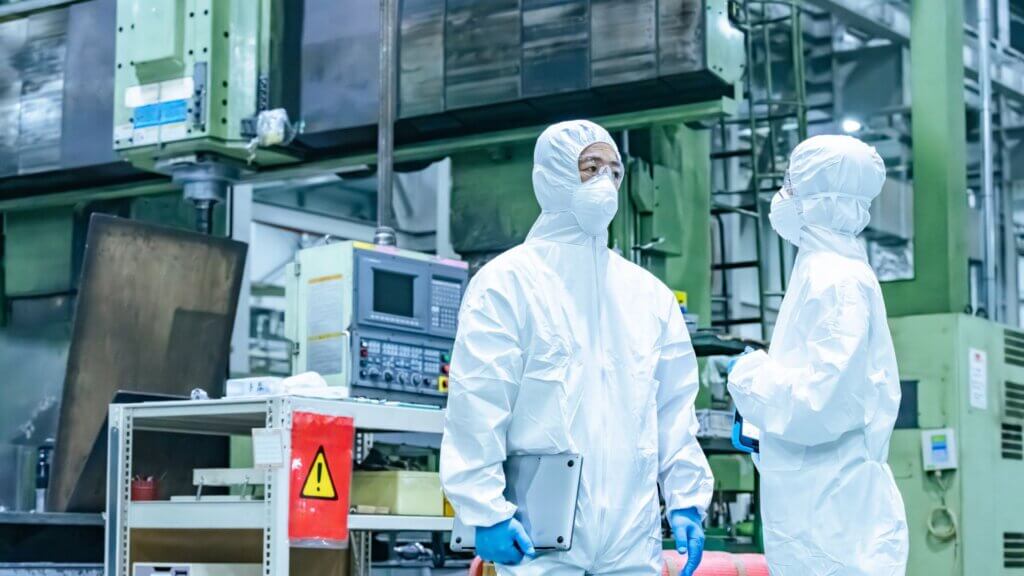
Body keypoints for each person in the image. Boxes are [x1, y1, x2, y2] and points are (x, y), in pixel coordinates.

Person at [440, 120, 714, 575]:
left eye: (614, 171)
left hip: (632, 538)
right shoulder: (507, 282)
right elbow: (478, 402)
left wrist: (686, 498)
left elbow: (673, 410)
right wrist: (483, 508)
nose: (604, 182)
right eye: (590, 167)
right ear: (550, 176)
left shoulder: (647, 295)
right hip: (540, 537)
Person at [727, 135, 909, 575]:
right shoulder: (822, 274)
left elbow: (817, 403)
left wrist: (746, 373)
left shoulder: (835, 281)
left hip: (832, 526)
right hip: (822, 518)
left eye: (790, 184)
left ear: (822, 197)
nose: (782, 196)